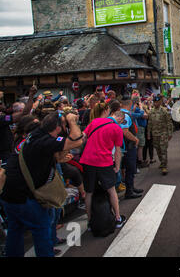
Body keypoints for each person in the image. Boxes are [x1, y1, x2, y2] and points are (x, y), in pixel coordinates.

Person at [0, 112, 83, 257]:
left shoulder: (36, 134)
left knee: (15, 230)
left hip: (8, 193)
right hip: (25, 196)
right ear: (58, 128)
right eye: (63, 125)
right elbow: (77, 140)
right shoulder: (44, 140)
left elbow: (40, 156)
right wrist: (71, 121)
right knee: (41, 229)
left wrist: (58, 159)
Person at [80, 104, 127, 228]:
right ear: (120, 119)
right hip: (104, 161)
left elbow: (83, 137)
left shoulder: (95, 122)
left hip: (87, 160)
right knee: (111, 190)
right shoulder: (117, 129)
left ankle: (90, 222)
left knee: (89, 192)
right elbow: (117, 151)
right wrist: (117, 167)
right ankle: (117, 218)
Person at [120, 97, 143, 199]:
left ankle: (131, 187)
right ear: (130, 104)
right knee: (130, 168)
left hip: (124, 145)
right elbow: (125, 131)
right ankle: (129, 191)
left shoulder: (120, 113)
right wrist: (135, 139)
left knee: (129, 168)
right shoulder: (125, 115)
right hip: (128, 145)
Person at [147, 95, 173, 175]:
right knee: (158, 150)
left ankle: (164, 166)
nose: (156, 103)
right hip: (155, 134)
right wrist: (148, 133)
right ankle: (162, 162)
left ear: (160, 102)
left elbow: (169, 122)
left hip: (163, 134)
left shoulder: (164, 111)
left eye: (157, 102)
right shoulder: (151, 111)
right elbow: (150, 123)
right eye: (154, 102)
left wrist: (170, 133)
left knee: (163, 150)